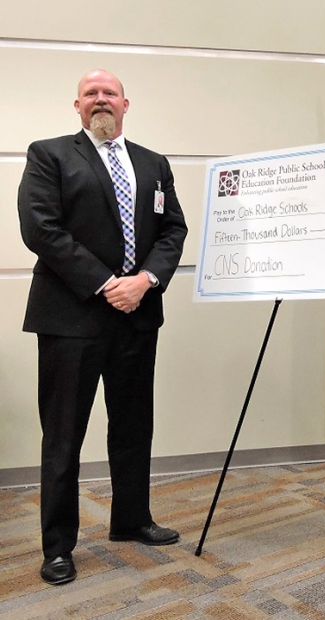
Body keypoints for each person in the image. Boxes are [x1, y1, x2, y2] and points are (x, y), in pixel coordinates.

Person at [18, 70, 188, 586]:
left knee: (134, 424)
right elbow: (40, 227)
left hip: (137, 316)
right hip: (72, 317)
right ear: (76, 105)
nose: (100, 100)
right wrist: (106, 283)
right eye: (90, 93)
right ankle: (57, 547)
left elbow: (173, 228)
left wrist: (146, 281)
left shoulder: (153, 163)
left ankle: (131, 519)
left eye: (108, 93)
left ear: (125, 103)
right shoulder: (48, 154)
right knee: (64, 434)